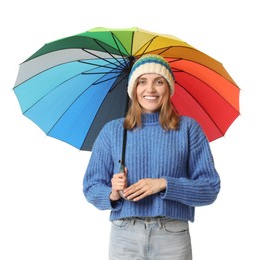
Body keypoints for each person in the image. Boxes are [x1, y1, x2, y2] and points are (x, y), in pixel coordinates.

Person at [83, 54, 220, 260]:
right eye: (142, 82)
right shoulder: (113, 131)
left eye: (158, 81)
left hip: (172, 235)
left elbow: (209, 188)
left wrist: (164, 184)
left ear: (169, 88)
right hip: (125, 235)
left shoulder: (188, 129)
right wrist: (113, 193)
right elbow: (91, 187)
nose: (150, 89)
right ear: (133, 89)